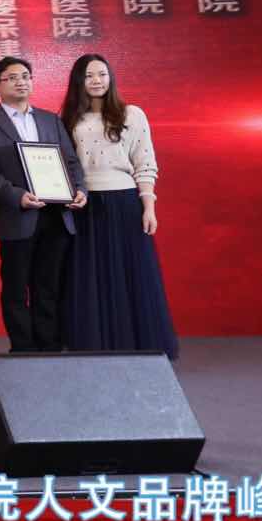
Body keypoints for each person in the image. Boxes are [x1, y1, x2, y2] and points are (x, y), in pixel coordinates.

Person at [58, 54, 178, 358]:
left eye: (102, 74)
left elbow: (145, 162)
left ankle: (136, 347)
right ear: (78, 81)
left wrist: (148, 205)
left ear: (110, 77)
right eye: (89, 75)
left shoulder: (132, 114)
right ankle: (93, 345)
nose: (96, 80)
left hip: (125, 203)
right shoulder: (68, 119)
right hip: (84, 205)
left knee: (131, 274)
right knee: (89, 276)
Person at [0, 56, 87, 354]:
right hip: (18, 215)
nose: (21, 82)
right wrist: (16, 195)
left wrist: (79, 189)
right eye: (12, 78)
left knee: (48, 285)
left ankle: (49, 346)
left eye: (25, 76)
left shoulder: (51, 120)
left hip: (57, 214)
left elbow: (71, 161)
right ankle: (22, 349)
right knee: (15, 287)